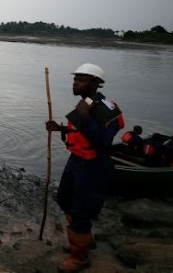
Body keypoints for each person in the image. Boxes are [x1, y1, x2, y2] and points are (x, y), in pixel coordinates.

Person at [46, 63, 124, 273]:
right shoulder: (85, 103)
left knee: (81, 209)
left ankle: (80, 257)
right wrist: (60, 128)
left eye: (81, 80)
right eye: (75, 79)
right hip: (76, 160)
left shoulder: (107, 109)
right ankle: (84, 239)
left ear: (96, 83)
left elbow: (102, 142)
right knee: (63, 198)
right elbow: (79, 133)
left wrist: (86, 117)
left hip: (94, 166)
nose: (75, 83)